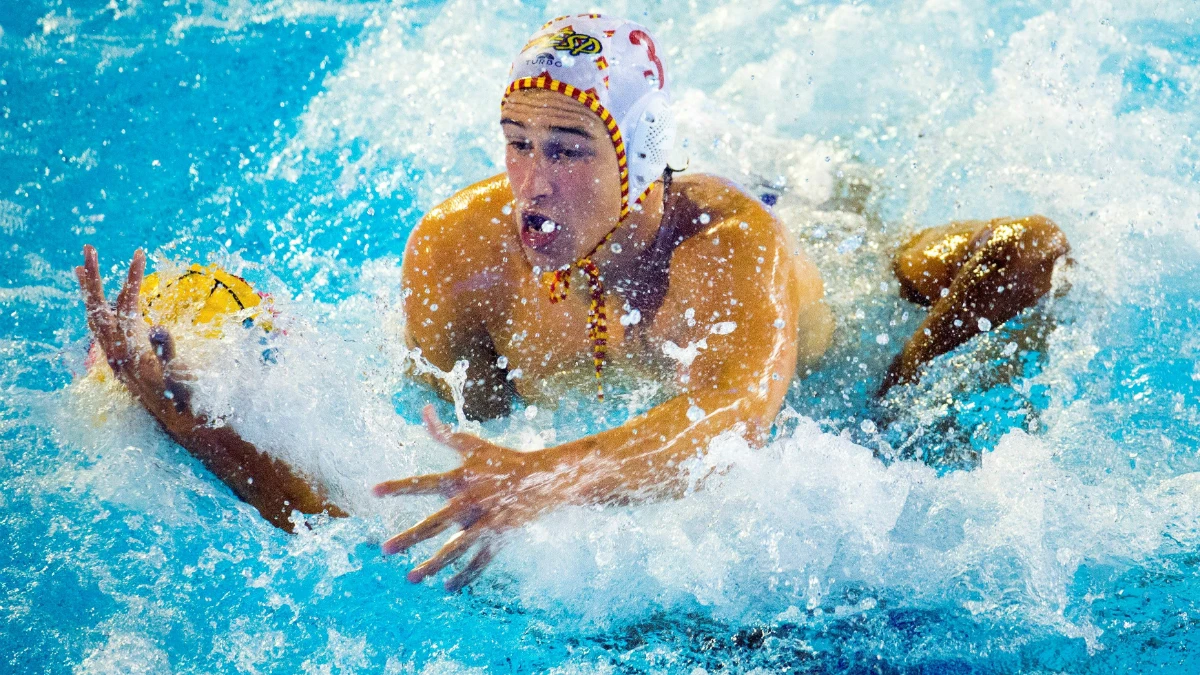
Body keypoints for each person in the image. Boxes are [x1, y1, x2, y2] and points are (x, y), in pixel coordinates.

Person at [77, 15, 1068, 591]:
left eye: (566, 149)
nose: (529, 182)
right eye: (514, 141)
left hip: (823, 274)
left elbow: (734, 420)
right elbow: (409, 497)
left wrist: (557, 473)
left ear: (635, 163)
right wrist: (184, 413)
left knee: (1029, 259)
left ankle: (908, 394)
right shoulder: (457, 257)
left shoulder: (727, 252)